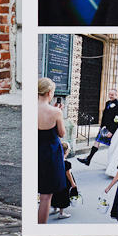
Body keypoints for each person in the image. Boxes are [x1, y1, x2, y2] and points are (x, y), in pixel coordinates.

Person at [38, 78, 67, 224]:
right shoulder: (56, 112)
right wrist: (59, 112)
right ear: (49, 92)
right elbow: (62, 133)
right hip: (50, 153)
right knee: (45, 197)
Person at [77, 88, 118, 166]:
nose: (110, 96)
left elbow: (117, 120)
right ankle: (88, 159)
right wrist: (101, 126)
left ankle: (113, 164)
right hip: (104, 128)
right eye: (109, 94)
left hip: (111, 129)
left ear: (116, 95)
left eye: (112, 95)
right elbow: (104, 116)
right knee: (97, 142)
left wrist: (111, 131)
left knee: (113, 146)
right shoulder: (107, 103)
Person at [50, 141, 76, 219]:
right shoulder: (67, 163)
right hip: (63, 182)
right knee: (62, 196)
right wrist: (73, 183)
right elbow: (68, 174)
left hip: (55, 181)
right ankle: (61, 213)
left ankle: (55, 208)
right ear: (66, 152)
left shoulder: (54, 160)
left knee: (54, 194)